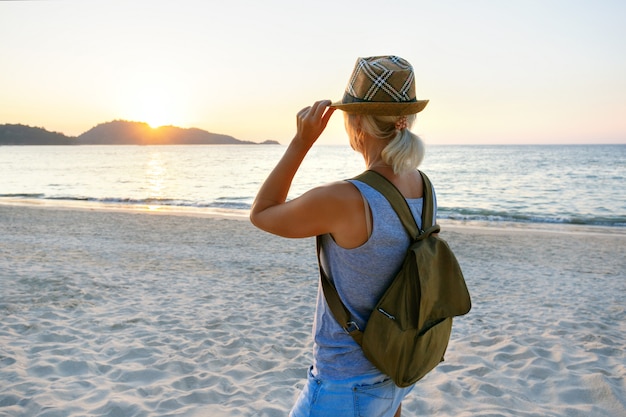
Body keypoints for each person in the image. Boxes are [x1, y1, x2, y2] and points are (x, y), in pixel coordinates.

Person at [250, 55, 433, 417]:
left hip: (344, 383)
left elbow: (262, 212)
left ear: (357, 124)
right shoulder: (422, 186)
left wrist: (301, 142)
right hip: (397, 368)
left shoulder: (345, 199)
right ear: (406, 119)